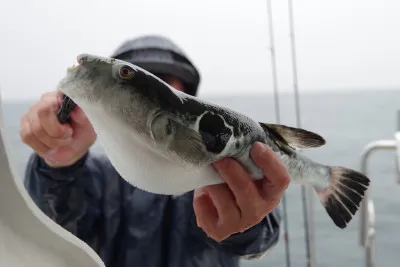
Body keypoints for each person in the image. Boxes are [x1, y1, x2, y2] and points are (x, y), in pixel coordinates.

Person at [20, 35, 290, 267]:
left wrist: (245, 224)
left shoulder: (216, 174)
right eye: (134, 78)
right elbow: (52, 227)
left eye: (165, 83)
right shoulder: (96, 175)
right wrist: (59, 164)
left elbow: (263, 235)